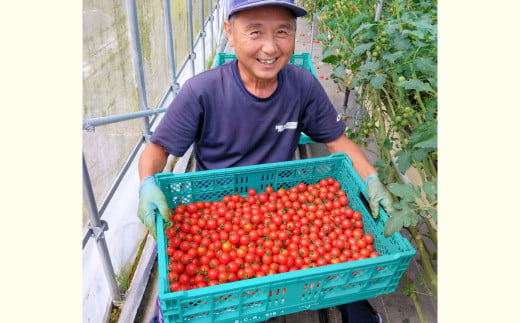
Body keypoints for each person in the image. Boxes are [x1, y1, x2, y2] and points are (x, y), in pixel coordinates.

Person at [138, 0, 392, 322]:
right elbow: (157, 149)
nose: (270, 47)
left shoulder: (302, 86)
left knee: (347, 267)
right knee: (188, 292)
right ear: (230, 32)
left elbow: (339, 141)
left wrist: (371, 179)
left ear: (295, 35)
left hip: (281, 203)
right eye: (255, 31)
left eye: (282, 32)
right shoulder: (201, 91)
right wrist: (147, 183)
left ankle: (357, 310)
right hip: (214, 209)